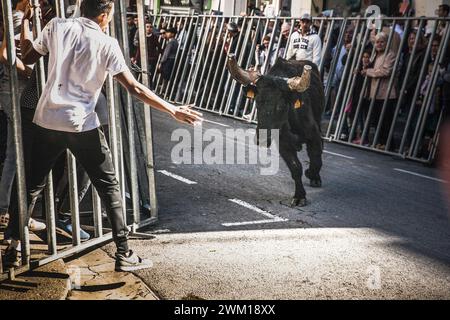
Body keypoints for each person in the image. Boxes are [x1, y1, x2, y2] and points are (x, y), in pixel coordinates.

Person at [2, 0, 203, 271]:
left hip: (46, 120)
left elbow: (26, 58)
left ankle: (13, 245)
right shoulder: (107, 43)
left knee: (29, 185)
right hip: (81, 125)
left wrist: (25, 22)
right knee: (109, 187)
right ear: (105, 16)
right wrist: (172, 110)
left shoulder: (56, 26)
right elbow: (135, 88)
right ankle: (124, 252)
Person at [361, 32, 397, 150]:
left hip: (386, 93)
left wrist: (369, 72)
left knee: (386, 121)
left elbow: (385, 71)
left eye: (382, 41)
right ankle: (380, 142)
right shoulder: (374, 55)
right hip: (374, 93)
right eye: (377, 42)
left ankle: (388, 145)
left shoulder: (390, 55)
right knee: (377, 120)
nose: (379, 44)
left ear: (387, 42)